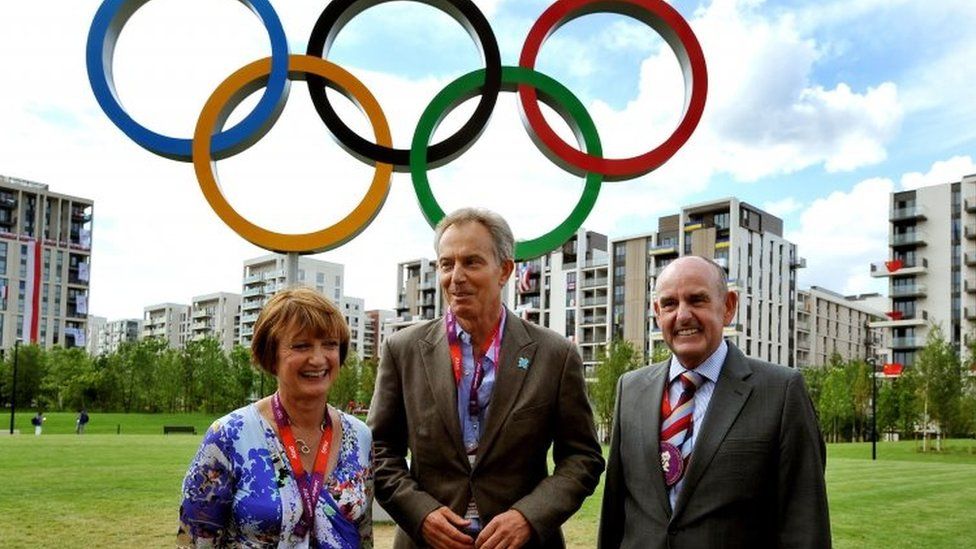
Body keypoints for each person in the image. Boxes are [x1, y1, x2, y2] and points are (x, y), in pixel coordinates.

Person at [369, 208, 605, 549]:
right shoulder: (402, 350)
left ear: (505, 270)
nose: (456, 276)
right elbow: (379, 451)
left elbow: (583, 458)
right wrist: (421, 514)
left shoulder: (555, 355)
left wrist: (529, 516)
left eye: (472, 262)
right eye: (446, 264)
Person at [598, 256, 830, 548]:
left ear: (728, 306)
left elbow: (805, 522)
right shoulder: (630, 388)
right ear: (657, 313)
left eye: (697, 300)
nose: (682, 315)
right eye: (669, 304)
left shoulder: (782, 391)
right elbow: (614, 513)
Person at [178, 287, 373, 547]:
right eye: (301, 345)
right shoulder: (228, 436)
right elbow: (195, 541)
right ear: (271, 356)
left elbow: (363, 536)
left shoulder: (360, 436)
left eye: (329, 344)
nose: (318, 359)